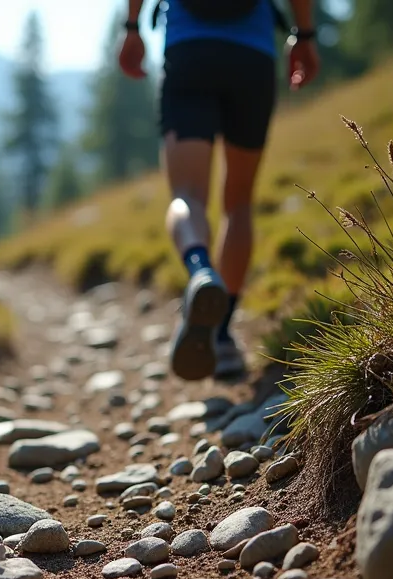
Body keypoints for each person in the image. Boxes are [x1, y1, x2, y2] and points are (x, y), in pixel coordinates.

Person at [119, 0, 320, 381]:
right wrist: (304, 35)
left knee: (187, 195)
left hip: (190, 50)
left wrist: (131, 28)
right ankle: (223, 335)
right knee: (238, 203)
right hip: (252, 55)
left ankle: (200, 271)